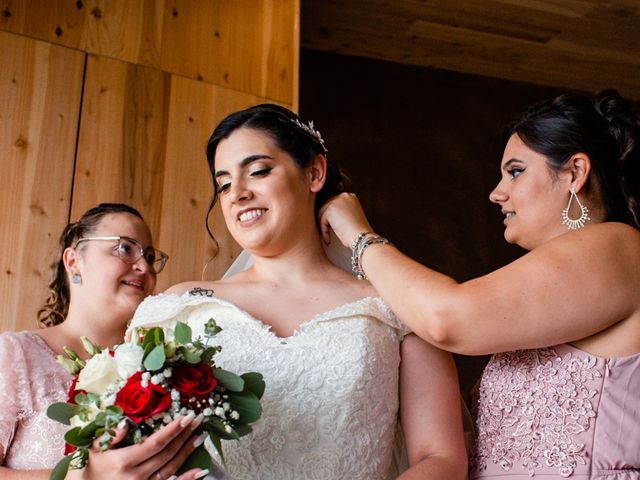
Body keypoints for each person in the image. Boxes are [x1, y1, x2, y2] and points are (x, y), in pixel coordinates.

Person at [129, 104, 468, 480]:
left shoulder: (394, 307)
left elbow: (441, 458)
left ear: (314, 172)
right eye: (224, 184)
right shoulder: (179, 309)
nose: (237, 193)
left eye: (257, 171)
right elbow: (133, 447)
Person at [319, 89, 640, 479]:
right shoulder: (570, 280)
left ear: (574, 172)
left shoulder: (618, 246)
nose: (496, 192)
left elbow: (446, 318)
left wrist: (357, 234)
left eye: (516, 171)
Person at [0, 203, 210, 480]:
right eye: (124, 247)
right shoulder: (16, 354)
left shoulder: (162, 372)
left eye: (149, 255)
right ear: (74, 261)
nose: (144, 266)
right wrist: (81, 477)